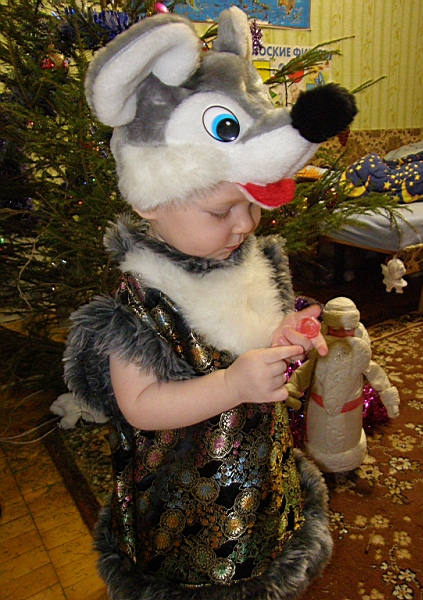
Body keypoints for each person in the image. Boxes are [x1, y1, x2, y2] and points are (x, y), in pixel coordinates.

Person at [63, 7, 357, 598]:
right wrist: (230, 385)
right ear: (151, 201)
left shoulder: (251, 261)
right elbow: (141, 407)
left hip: (258, 470)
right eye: (222, 210)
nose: (244, 225)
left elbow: (252, 334)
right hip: (184, 505)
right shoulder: (138, 304)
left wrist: (286, 331)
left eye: (251, 207)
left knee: (268, 554)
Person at [286, 297, 400, 474]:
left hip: (350, 413)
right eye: (335, 330)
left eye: (347, 330)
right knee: (318, 436)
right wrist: (293, 386)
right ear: (326, 329)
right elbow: (304, 373)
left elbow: (376, 374)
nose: (341, 335)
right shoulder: (319, 356)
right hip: (319, 412)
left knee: (348, 436)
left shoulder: (359, 357)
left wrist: (388, 396)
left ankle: (349, 457)